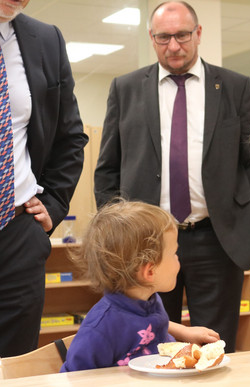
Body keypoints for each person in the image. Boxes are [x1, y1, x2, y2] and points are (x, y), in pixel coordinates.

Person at [93, 1, 250, 353]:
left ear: (198, 34)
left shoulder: (234, 87)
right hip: (147, 245)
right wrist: (120, 234)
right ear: (151, 38)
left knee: (217, 347)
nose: (173, 45)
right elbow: (107, 168)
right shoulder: (126, 89)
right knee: (148, 346)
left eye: (182, 35)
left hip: (216, 239)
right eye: (163, 37)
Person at [0, 0, 88, 357]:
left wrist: (52, 204)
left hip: (19, 232)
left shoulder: (45, 39)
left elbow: (69, 137)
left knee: (15, 362)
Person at [61, 200, 219, 372]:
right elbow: (73, 377)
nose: (178, 258)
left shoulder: (148, 300)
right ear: (150, 271)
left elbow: (146, 323)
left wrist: (183, 332)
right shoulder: (100, 329)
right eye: (174, 253)